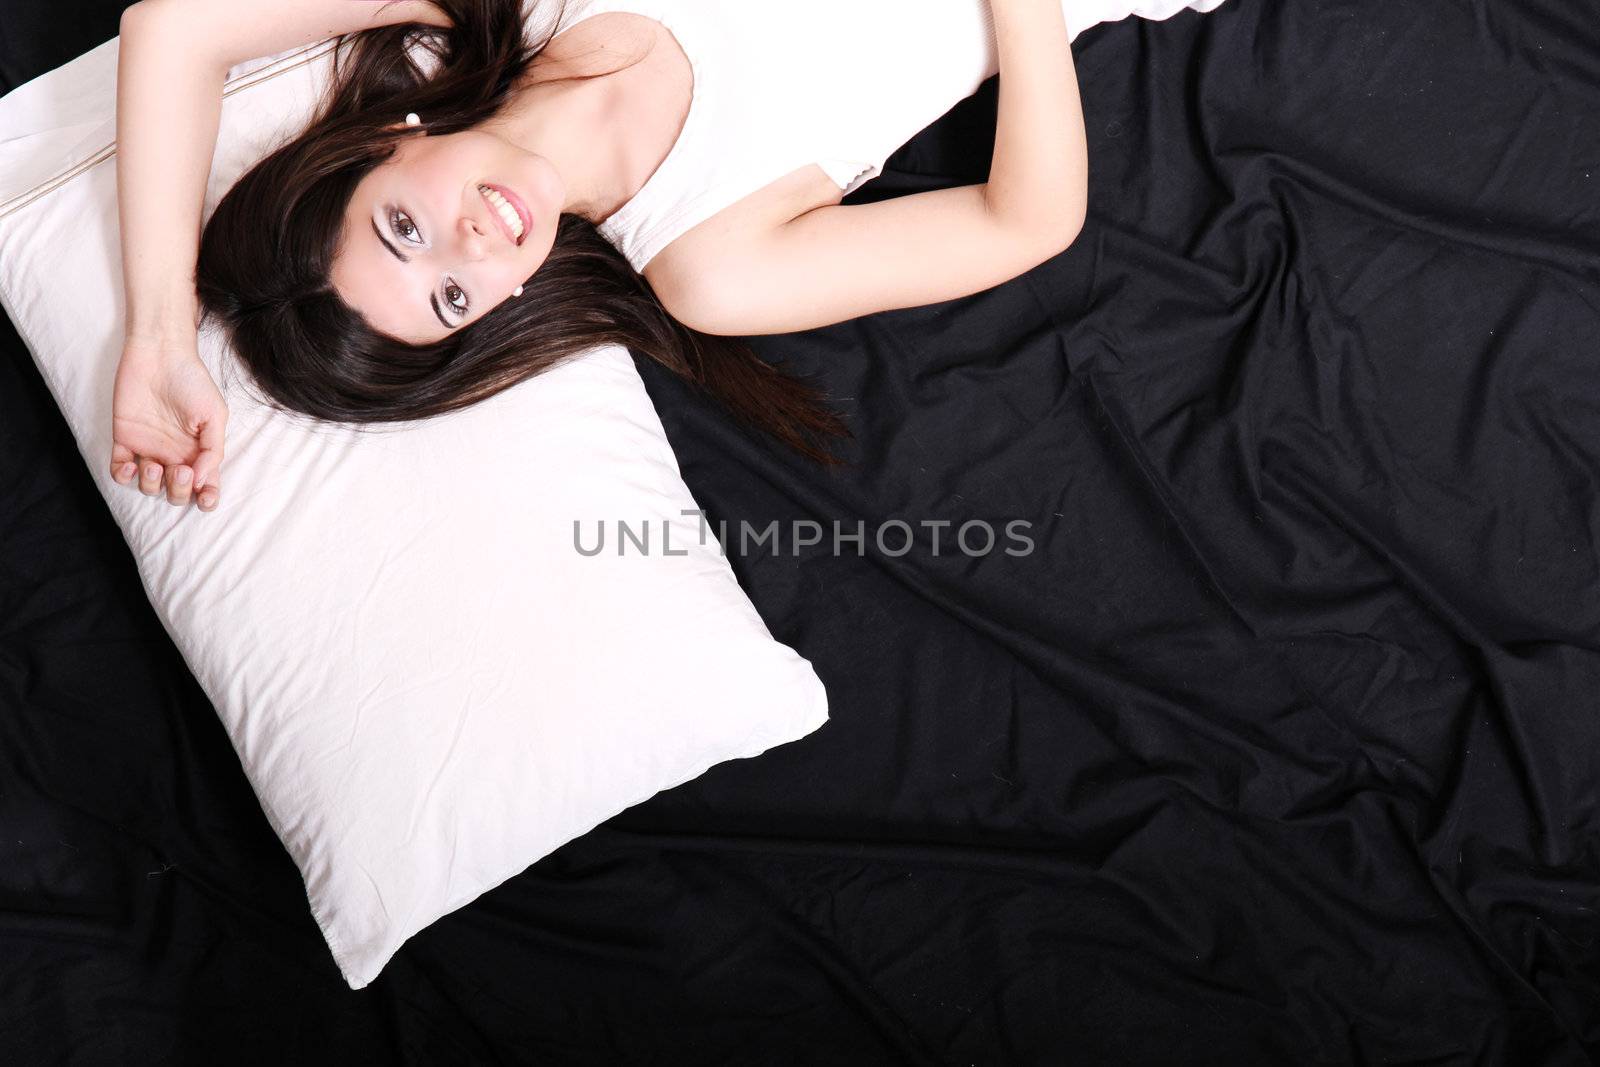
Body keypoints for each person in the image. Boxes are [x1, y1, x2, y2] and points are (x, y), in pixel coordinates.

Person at [109, 0, 1225, 512]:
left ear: (387, 143)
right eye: (453, 295)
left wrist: (159, 335)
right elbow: (1022, 221)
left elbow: (178, 27)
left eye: (403, 225)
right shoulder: (707, 260)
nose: (473, 243)